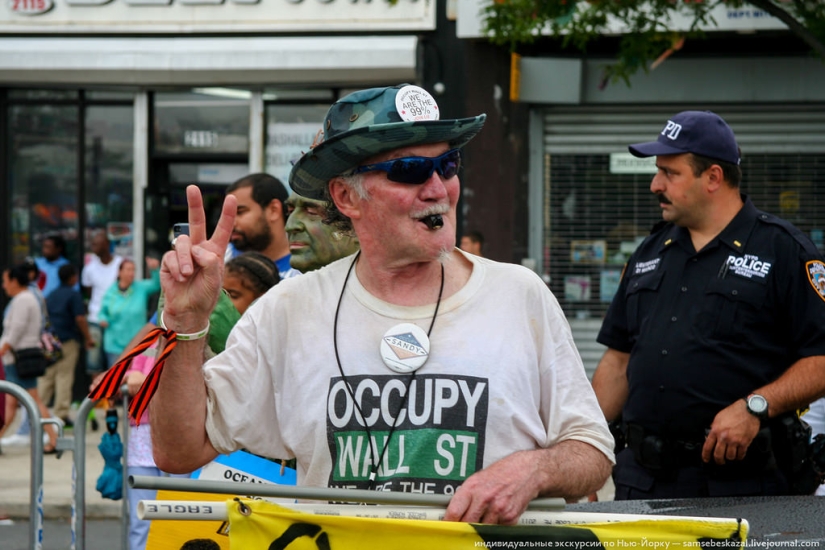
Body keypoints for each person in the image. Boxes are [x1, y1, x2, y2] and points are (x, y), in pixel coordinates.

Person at [150, 84, 614, 525]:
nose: (438, 188)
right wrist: (185, 322)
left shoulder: (519, 293)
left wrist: (532, 471)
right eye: (410, 171)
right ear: (346, 196)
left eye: (448, 166)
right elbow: (179, 450)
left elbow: (592, 450)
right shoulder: (291, 308)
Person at [592, 110, 825, 499]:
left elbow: (820, 358)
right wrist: (586, 446)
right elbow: (618, 361)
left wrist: (755, 406)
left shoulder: (783, 251)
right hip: (642, 481)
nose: (655, 184)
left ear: (713, 177)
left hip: (743, 486)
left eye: (670, 172)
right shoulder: (649, 252)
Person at [0, 264, 59, 453]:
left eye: (5, 281)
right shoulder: (25, 297)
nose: (4, 285)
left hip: (19, 359)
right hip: (16, 359)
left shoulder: (23, 299)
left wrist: (2, 350)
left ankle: (54, 439)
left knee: (33, 399)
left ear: (15, 281)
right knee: (13, 401)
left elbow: (15, 332)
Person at [38, 264, 94, 426]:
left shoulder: (52, 294)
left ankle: (36, 410)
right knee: (64, 376)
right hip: (68, 340)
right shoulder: (74, 295)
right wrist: (88, 338)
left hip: (50, 341)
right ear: (72, 277)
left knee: (47, 376)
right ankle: (60, 415)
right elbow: (80, 319)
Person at [225, 173, 301, 280]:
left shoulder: (303, 273)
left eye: (240, 212)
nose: (231, 223)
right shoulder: (220, 259)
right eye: (229, 215)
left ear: (273, 210)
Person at [98, 257, 160, 368]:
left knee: (136, 376)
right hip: (115, 345)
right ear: (119, 272)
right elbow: (103, 312)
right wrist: (103, 319)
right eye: (128, 269)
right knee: (115, 377)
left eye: (133, 270)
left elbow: (157, 284)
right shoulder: (111, 292)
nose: (131, 273)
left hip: (137, 343)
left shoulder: (140, 288)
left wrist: (154, 270)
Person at [82, 230, 124, 375]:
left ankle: (114, 396)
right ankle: (97, 397)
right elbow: (88, 292)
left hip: (115, 321)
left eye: (96, 244)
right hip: (95, 320)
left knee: (116, 362)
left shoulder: (120, 264)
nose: (92, 248)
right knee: (94, 362)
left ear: (106, 244)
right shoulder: (89, 268)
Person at [285, 193, 360, 273]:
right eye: (290, 211)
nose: (289, 227)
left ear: (355, 228)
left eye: (311, 212)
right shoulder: (287, 285)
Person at [35, 234, 74, 298]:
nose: (44, 250)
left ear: (59, 249)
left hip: (57, 303)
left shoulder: (66, 266)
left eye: (48, 247)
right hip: (37, 302)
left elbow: (72, 288)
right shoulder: (37, 263)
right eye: (44, 247)